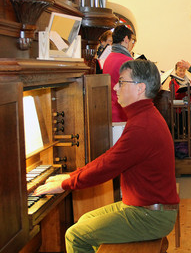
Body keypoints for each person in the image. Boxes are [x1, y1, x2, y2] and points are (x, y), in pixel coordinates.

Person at [34, 60, 180, 253]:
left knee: (75, 236)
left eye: (122, 82)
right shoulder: (143, 117)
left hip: (150, 215)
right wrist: (70, 176)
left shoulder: (142, 126)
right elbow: (110, 157)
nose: (116, 86)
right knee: (85, 220)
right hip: (145, 208)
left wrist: (64, 185)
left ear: (140, 88)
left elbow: (107, 167)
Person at [103, 25, 134, 144]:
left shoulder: (109, 58)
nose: (131, 44)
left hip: (111, 112)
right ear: (126, 39)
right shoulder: (126, 61)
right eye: (131, 41)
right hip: (123, 115)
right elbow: (133, 90)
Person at [169, 62, 191, 137]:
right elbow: (174, 95)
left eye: (183, 71)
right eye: (179, 70)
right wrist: (185, 93)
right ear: (176, 71)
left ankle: (189, 147)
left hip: (189, 109)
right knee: (180, 130)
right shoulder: (173, 82)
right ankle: (181, 147)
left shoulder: (188, 81)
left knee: (189, 130)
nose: (182, 73)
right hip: (179, 109)